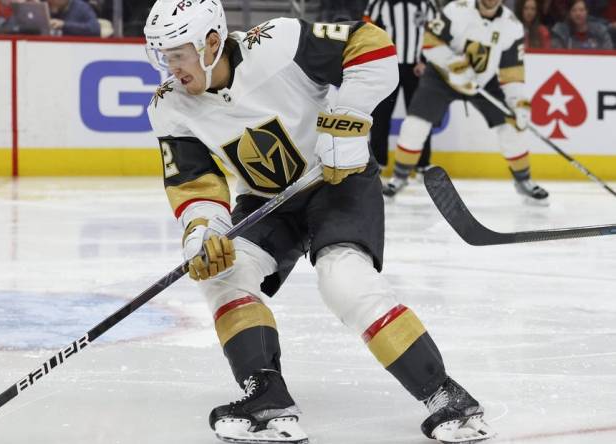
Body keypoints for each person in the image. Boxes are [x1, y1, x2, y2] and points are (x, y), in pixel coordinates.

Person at [144, 1, 495, 443]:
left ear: (212, 43)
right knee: (225, 271)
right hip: (268, 199)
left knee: (343, 279)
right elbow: (195, 183)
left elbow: (371, 45)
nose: (170, 68)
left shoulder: (278, 42)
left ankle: (447, 397)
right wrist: (203, 230)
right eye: (161, 55)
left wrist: (348, 115)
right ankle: (266, 394)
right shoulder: (169, 107)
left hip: (338, 181)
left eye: (178, 54)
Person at [382, 0, 549, 203]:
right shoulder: (456, 10)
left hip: (482, 82)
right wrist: (453, 64)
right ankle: (399, 177)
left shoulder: (512, 26)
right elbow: (429, 41)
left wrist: (518, 104)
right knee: (415, 124)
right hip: (441, 76)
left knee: (512, 125)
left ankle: (524, 181)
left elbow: (512, 72)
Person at [363, 0, 437, 181]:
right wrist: (377, 60)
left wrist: (425, 60)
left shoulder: (428, 3)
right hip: (388, 67)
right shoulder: (378, 3)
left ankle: (422, 165)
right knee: (381, 116)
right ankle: (378, 163)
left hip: (416, 69)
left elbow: (436, 31)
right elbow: (365, 31)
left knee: (421, 117)